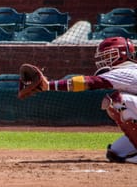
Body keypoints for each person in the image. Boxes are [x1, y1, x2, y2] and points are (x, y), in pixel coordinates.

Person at [23, 36, 137, 164]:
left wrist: (49, 85)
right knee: (116, 152)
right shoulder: (127, 71)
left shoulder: (126, 71)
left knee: (117, 101)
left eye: (108, 55)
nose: (105, 60)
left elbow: (88, 82)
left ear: (122, 55)